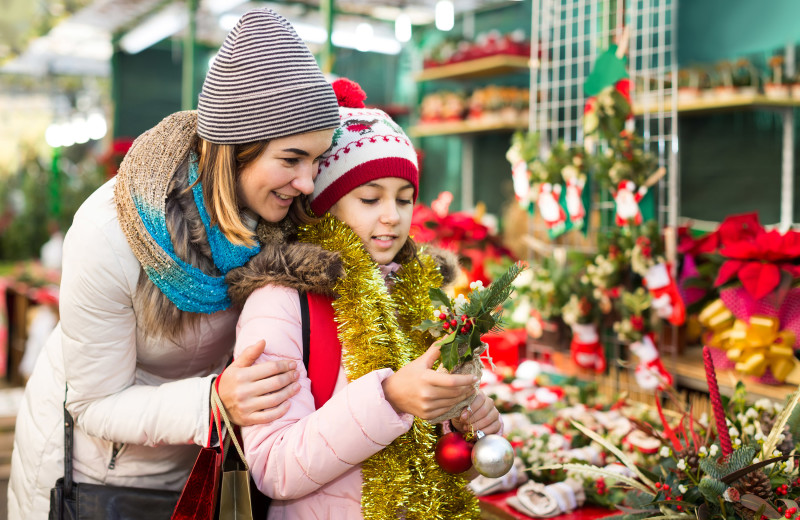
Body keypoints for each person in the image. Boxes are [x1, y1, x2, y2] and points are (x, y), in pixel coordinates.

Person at [8, 9, 342, 519]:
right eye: (292, 159)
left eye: (316, 162)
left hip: (199, 460)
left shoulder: (280, 218)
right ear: (235, 149)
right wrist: (212, 402)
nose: (307, 183)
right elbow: (94, 404)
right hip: (96, 470)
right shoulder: (112, 231)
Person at [226, 79, 503, 519]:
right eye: (370, 198)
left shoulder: (420, 296)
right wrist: (390, 398)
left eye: (405, 198)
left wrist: (467, 427)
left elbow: (437, 468)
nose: (392, 216)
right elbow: (273, 468)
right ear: (325, 203)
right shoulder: (281, 301)